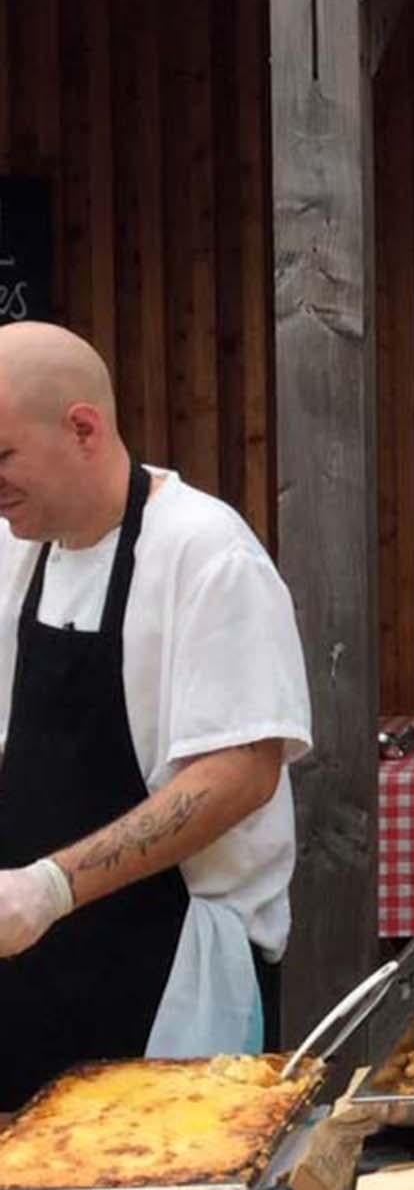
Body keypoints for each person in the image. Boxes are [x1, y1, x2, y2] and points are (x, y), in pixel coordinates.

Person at [0, 322, 311, 1108]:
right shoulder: (14, 547)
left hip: (171, 971)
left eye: (3, 457)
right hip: (25, 970)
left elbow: (240, 773)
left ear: (83, 427)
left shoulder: (206, 554)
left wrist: (51, 888)